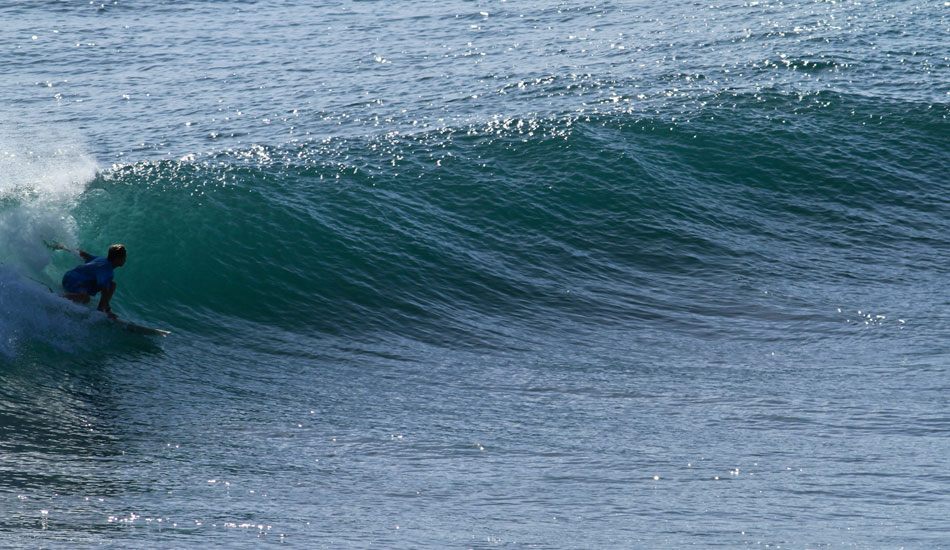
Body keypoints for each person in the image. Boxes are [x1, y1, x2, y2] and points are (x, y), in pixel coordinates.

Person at [62, 244, 126, 319]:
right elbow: (104, 291)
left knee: (112, 284)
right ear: (117, 259)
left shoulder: (102, 259)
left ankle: (100, 310)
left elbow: (84, 254)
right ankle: (57, 298)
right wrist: (108, 311)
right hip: (71, 280)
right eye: (124, 257)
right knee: (85, 298)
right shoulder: (107, 270)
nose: (125, 260)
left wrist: (63, 246)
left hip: (71, 277)